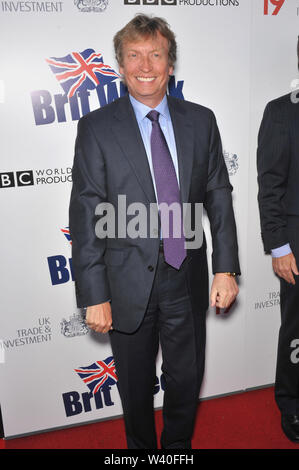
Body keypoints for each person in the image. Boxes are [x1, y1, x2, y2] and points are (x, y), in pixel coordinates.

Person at [69, 14, 240, 449]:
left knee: (186, 382)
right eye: (134, 56)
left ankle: (177, 450)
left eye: (156, 55)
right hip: (126, 283)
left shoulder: (201, 121)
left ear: (170, 64)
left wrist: (226, 268)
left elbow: (218, 193)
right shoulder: (96, 128)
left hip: (186, 276)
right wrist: (93, 293)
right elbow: (86, 211)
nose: (145, 65)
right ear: (121, 66)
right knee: (136, 389)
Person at [257, 38, 299, 443]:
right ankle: (292, 402)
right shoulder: (282, 112)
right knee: (297, 330)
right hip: (298, 244)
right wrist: (280, 247)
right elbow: (269, 185)